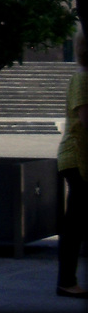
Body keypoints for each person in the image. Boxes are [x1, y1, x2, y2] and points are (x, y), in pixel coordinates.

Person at [56, 27, 88, 298]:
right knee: (74, 224)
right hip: (78, 158)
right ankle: (66, 281)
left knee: (78, 222)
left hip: (81, 157)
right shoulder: (83, 79)